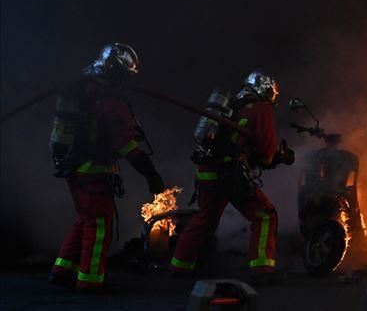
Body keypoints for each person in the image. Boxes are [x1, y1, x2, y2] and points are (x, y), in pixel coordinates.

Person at [49, 43, 166, 291]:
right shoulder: (111, 102)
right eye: (125, 75)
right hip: (94, 173)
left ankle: (62, 270)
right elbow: (127, 146)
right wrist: (150, 173)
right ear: (115, 72)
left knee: (85, 220)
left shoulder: (82, 91)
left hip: (73, 169)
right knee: (99, 227)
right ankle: (90, 281)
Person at [170, 71, 292, 276]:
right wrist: (279, 156)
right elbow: (266, 154)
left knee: (205, 218)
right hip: (230, 174)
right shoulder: (262, 108)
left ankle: (179, 266)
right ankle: (262, 268)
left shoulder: (232, 105)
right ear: (268, 91)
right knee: (264, 215)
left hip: (207, 171)